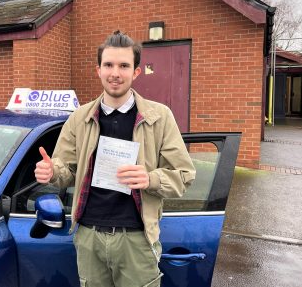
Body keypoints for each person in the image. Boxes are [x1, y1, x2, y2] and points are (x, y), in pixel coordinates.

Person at [35, 30, 196, 287]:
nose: (115, 73)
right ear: (98, 69)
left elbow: (184, 175)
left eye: (124, 66)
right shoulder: (79, 117)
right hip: (89, 237)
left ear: (136, 72)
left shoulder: (160, 117)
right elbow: (67, 170)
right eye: (108, 65)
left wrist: (150, 178)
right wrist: (51, 172)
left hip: (136, 239)